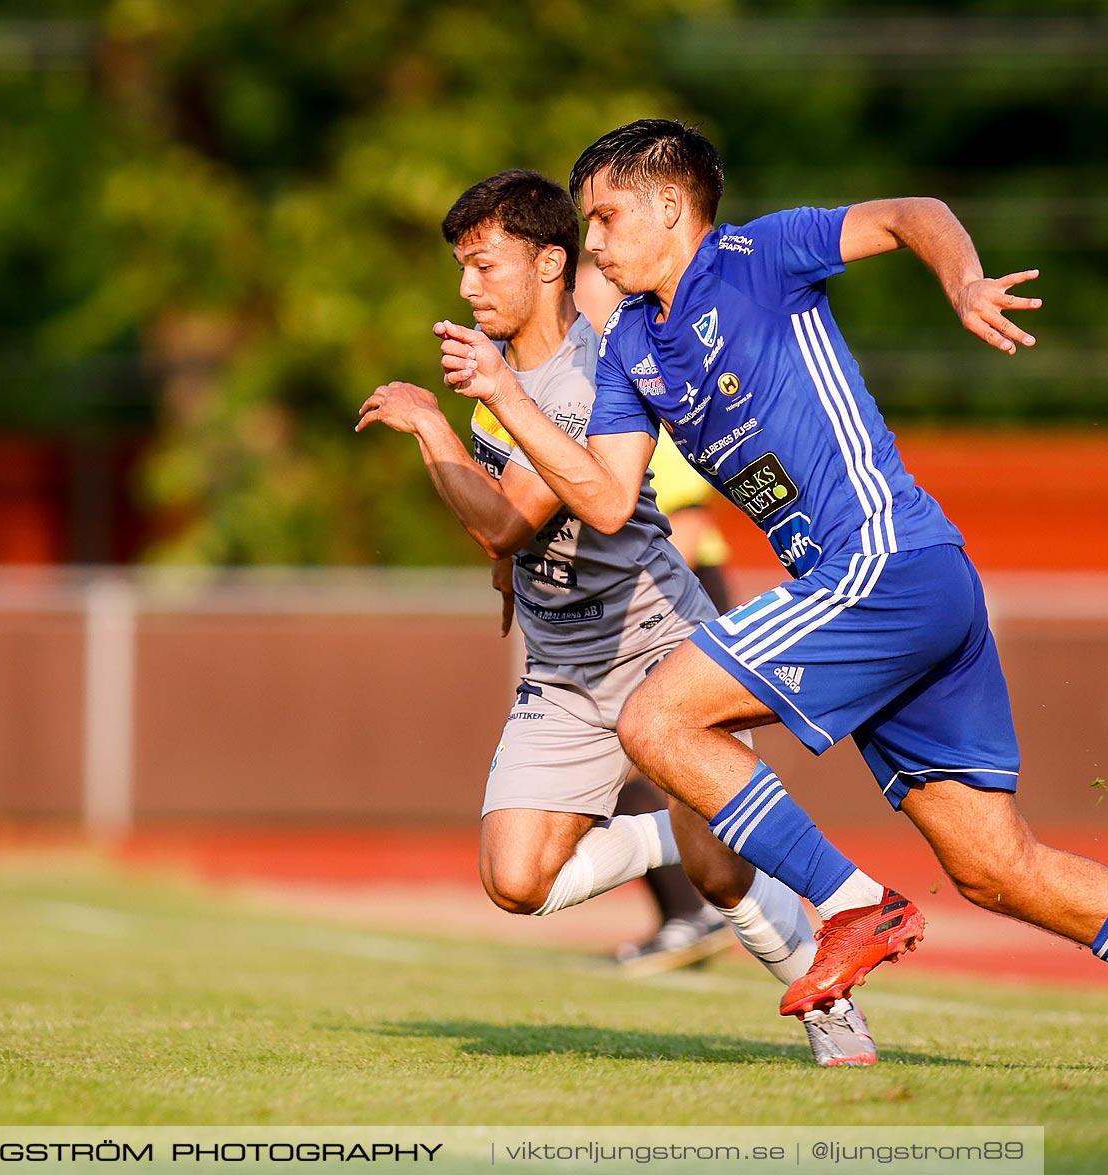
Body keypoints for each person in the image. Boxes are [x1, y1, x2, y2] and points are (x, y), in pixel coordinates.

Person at [435, 122, 1108, 1073]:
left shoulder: (756, 255)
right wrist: (507, 398)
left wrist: (964, 280)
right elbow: (605, 500)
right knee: (994, 866)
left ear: (669, 206)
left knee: (657, 720)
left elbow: (911, 214)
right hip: (894, 587)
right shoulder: (630, 351)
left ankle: (853, 903)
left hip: (886, 561)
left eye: (606, 217)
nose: (594, 242)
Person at [357, 169, 876, 1065]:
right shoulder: (507, 371)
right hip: (562, 668)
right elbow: (513, 526)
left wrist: (429, 428)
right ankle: (661, 829)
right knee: (515, 881)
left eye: (484, 265)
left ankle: (835, 1016)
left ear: (549, 262)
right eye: (462, 269)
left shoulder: (587, 374)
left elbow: (509, 517)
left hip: (654, 642)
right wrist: (511, 571)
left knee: (720, 874)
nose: (467, 286)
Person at [578, 254, 737, 974]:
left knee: (647, 752)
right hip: (639, 590)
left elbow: (686, 512)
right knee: (633, 758)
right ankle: (696, 908)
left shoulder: (635, 373)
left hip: (670, 587)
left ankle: (703, 908)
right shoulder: (600, 373)